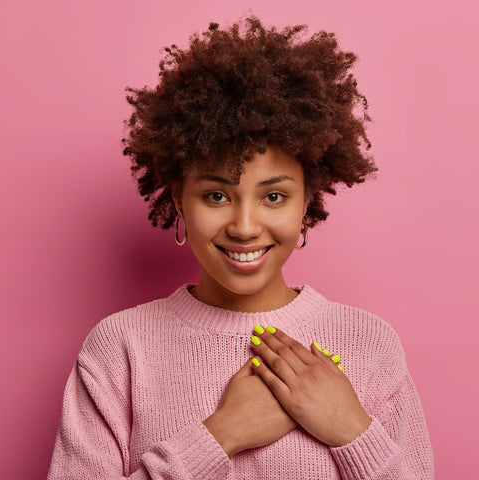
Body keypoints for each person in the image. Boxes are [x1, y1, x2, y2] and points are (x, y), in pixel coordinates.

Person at [47, 16, 434, 479]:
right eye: (216, 195)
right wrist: (221, 434)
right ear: (178, 200)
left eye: (274, 196)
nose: (246, 226)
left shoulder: (370, 345)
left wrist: (351, 430)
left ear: (306, 200)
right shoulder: (118, 349)